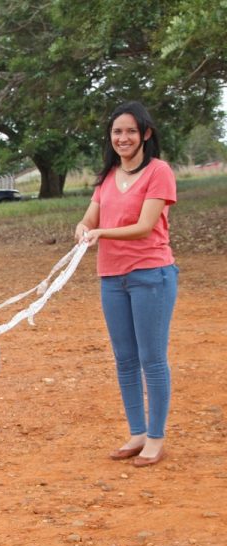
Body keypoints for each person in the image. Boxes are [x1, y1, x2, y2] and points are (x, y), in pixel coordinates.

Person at [75, 101, 178, 468]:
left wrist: (101, 232)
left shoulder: (158, 172)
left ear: (145, 134)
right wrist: (84, 227)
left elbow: (145, 226)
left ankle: (155, 437)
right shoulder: (107, 177)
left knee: (152, 360)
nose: (123, 138)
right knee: (125, 360)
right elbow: (91, 214)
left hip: (150, 275)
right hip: (111, 278)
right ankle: (136, 432)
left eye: (131, 131)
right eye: (117, 132)